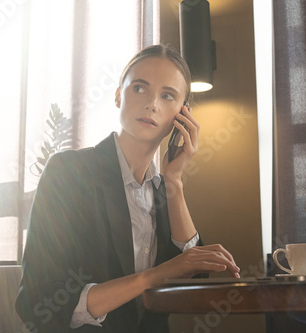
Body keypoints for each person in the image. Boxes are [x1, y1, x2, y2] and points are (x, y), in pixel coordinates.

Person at [15, 45, 240, 333]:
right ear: (119, 95)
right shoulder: (68, 172)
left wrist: (174, 181)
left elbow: (192, 280)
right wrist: (152, 277)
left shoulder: (163, 191)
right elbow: (38, 304)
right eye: (139, 89)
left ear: (182, 114)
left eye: (167, 95)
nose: (152, 104)